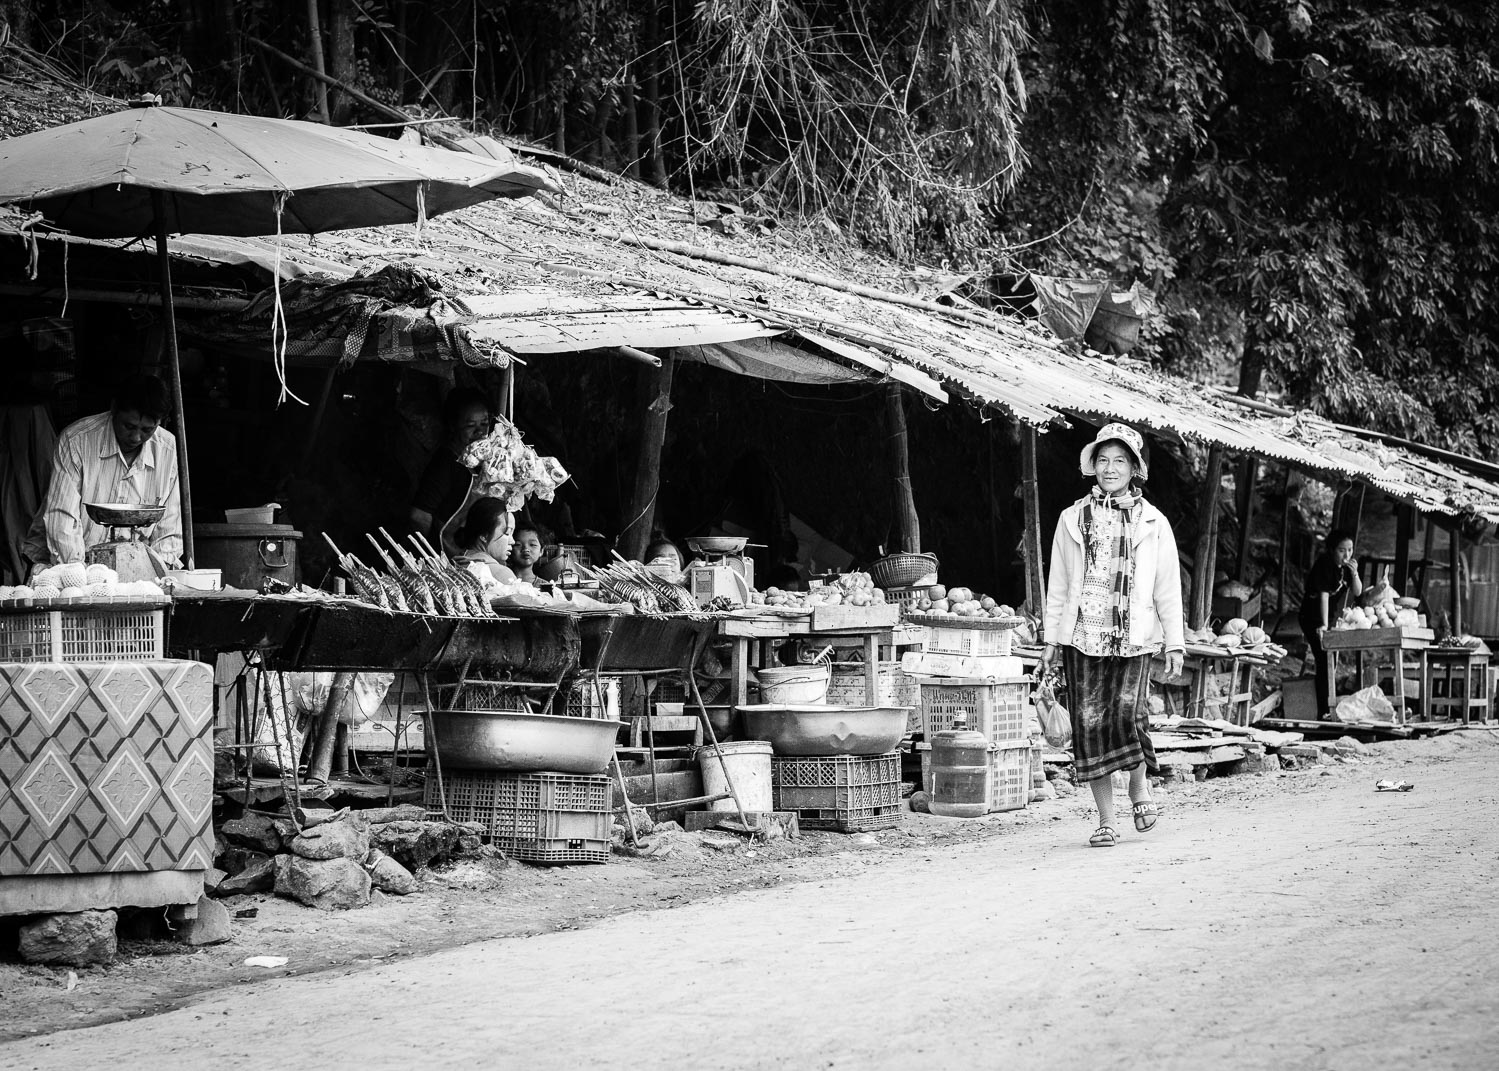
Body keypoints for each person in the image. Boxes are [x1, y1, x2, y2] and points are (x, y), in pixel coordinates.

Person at [1040, 423, 1185, 848]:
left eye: (1120, 460)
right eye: (1103, 459)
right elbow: (1060, 585)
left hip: (1134, 637)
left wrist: (1174, 641)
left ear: (1134, 468)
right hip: (1082, 637)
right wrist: (1052, 639)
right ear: (1092, 465)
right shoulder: (1072, 519)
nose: (1110, 468)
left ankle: (1139, 788)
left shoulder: (1153, 522)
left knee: (1128, 717)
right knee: (1089, 724)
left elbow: (1167, 586)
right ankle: (1106, 819)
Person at [21, 373, 182, 571]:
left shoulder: (168, 447)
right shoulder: (77, 440)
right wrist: (79, 575)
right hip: (62, 562)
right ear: (114, 409)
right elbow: (62, 520)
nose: (136, 437)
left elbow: (169, 526)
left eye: (147, 430)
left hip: (132, 569)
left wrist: (160, 574)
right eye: (129, 426)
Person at [409, 388, 492, 554]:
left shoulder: (491, 461)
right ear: (453, 427)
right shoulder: (445, 463)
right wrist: (433, 552)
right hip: (449, 556)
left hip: (478, 555)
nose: (480, 432)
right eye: (470, 425)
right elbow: (419, 516)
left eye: (484, 423)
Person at [1298, 528, 1363, 717]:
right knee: (1323, 659)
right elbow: (1324, 596)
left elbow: (1358, 592)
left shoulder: (1347, 568)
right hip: (1312, 618)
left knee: (1330, 661)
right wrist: (1324, 625)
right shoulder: (1324, 565)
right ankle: (1323, 710)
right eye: (1342, 550)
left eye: (1350, 550)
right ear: (1332, 550)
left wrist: (1356, 573)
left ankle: (1327, 707)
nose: (1347, 554)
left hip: (1330, 618)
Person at [451, 497, 518, 585]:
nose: (512, 541)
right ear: (484, 536)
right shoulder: (501, 574)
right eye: (507, 533)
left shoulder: (453, 566)